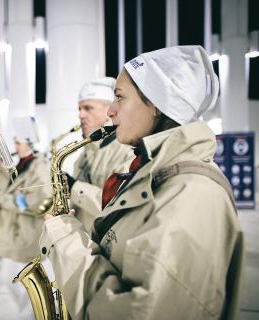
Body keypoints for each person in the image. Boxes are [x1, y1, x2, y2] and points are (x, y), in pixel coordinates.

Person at [40, 46, 244, 319]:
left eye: (120, 97)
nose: (111, 111)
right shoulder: (156, 173)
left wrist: (66, 239)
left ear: (158, 104)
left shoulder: (192, 195)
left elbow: (138, 312)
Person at [0, 118, 52, 318]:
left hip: (26, 235)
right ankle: (25, 313)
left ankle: (27, 315)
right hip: (14, 233)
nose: (15, 145)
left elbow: (39, 200)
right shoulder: (22, 164)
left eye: (18, 141)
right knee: (7, 281)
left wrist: (5, 200)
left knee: (25, 287)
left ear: (29, 143)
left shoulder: (39, 166)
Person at [67, 78, 134, 232]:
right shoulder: (84, 154)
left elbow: (115, 205)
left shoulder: (127, 150)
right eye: (79, 109)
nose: (81, 115)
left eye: (88, 108)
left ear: (108, 111)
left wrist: (74, 187)